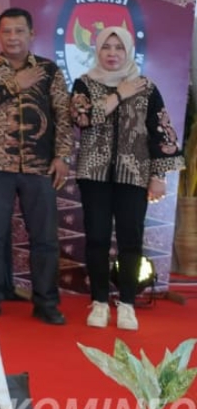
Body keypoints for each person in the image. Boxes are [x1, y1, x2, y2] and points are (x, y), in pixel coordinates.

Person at [71, 26, 184, 331]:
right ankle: (99, 302)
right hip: (94, 174)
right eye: (106, 47)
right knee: (96, 238)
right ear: (97, 51)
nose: (112, 54)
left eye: (119, 48)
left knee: (130, 240)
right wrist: (119, 94)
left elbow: (162, 134)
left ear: (129, 51)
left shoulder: (146, 87)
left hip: (134, 174)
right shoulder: (85, 83)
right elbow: (82, 117)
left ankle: (127, 304)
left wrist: (158, 175)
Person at [0, 7, 71, 325]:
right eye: (7, 31)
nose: (13, 37)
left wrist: (62, 156)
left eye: (19, 31)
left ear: (31, 34)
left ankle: (46, 303)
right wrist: (14, 84)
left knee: (45, 238)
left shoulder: (49, 70)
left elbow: (63, 114)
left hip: (40, 166)